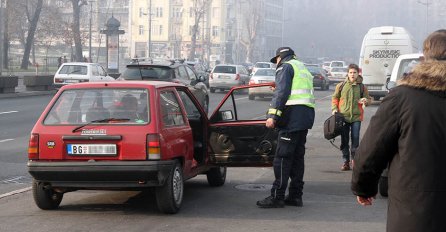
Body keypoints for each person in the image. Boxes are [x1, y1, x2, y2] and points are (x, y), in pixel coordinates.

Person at [351, 30, 446, 232]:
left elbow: (372, 148)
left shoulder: (403, 97)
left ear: (425, 57)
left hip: (415, 212)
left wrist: (364, 187)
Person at [256, 47, 315, 208]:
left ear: (280, 58)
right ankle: (296, 196)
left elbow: (281, 93)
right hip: (304, 117)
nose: (276, 63)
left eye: (275, 60)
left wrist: (272, 116)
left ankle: (277, 196)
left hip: (291, 118)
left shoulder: (285, 66)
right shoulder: (301, 66)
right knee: (297, 158)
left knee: (282, 158)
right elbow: (295, 91)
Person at [331, 64, 371, 171]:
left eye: (354, 72)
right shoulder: (341, 86)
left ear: (358, 74)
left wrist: (365, 101)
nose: (352, 74)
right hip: (343, 117)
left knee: (355, 139)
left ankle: (355, 161)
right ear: (347, 74)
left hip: (356, 117)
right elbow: (335, 98)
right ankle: (345, 162)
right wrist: (334, 108)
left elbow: (368, 99)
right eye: (350, 72)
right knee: (344, 140)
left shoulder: (362, 87)